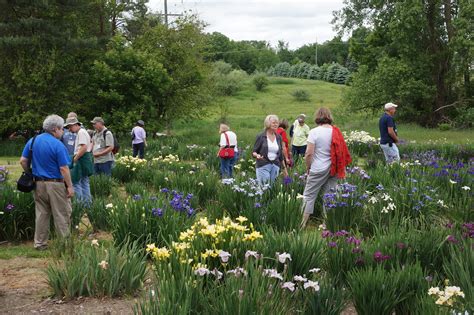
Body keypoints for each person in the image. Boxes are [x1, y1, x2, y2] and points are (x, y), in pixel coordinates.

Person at [19, 114, 74, 250]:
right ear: (55, 129)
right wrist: (70, 186)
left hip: (38, 183)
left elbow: (23, 161)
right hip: (56, 183)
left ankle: (40, 243)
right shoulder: (58, 145)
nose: (63, 132)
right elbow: (64, 168)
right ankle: (65, 244)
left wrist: (30, 173)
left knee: (42, 214)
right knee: (61, 214)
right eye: (62, 129)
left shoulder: (33, 141)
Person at [301, 108, 352, 228]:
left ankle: (302, 224)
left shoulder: (314, 132)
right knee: (329, 195)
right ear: (329, 117)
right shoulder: (336, 131)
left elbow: (309, 153)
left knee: (309, 195)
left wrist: (308, 166)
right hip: (334, 167)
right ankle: (327, 224)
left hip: (318, 168)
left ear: (317, 117)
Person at [64, 117, 93, 205]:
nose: (69, 129)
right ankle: (87, 204)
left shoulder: (81, 132)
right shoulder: (82, 132)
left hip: (82, 159)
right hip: (84, 158)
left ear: (76, 125)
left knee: (77, 182)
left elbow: (83, 147)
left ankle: (80, 204)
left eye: (70, 126)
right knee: (84, 182)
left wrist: (75, 159)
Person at [252, 115, 288, 186]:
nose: (275, 124)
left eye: (277, 123)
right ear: (268, 123)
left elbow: (280, 155)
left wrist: (284, 169)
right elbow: (254, 152)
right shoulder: (261, 136)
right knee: (264, 188)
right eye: (273, 122)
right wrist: (257, 155)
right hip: (263, 165)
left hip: (275, 165)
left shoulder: (278, 137)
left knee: (272, 188)